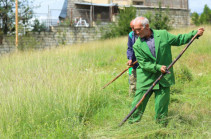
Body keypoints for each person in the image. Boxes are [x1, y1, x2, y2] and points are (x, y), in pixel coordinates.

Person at [129, 16, 204, 126]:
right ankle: (132, 124)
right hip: (146, 78)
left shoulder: (163, 34)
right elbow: (144, 64)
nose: (135, 32)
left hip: (163, 78)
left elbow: (179, 39)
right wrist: (158, 67)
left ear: (147, 27)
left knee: (162, 106)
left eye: (138, 29)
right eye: (134, 29)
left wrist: (194, 34)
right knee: (138, 104)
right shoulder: (137, 45)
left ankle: (161, 128)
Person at [127, 19, 139, 96]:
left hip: (144, 62)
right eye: (131, 28)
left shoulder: (145, 34)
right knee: (132, 79)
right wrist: (130, 58)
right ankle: (132, 96)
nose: (132, 30)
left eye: (133, 27)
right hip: (134, 62)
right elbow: (130, 48)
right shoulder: (131, 35)